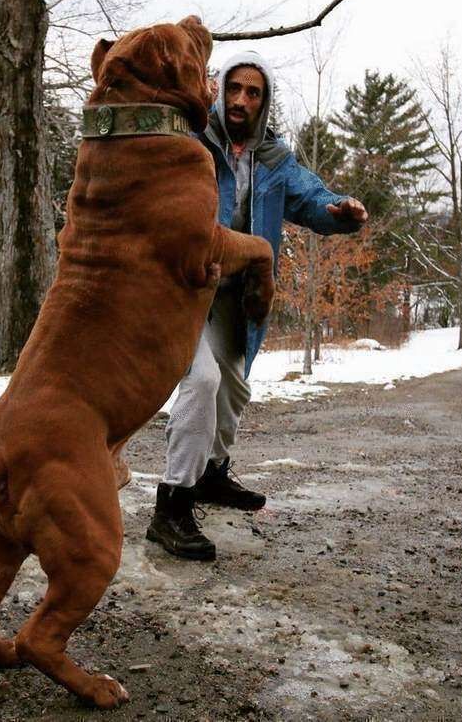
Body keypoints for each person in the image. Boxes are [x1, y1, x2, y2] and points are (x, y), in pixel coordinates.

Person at [146, 51, 368, 561]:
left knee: (234, 388)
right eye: (234, 89)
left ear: (264, 102)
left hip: (239, 294)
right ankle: (171, 506)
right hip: (187, 287)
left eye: (254, 92)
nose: (242, 100)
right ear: (219, 91)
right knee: (201, 382)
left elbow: (312, 198)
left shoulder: (271, 158)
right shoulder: (191, 144)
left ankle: (211, 476)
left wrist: (341, 212)